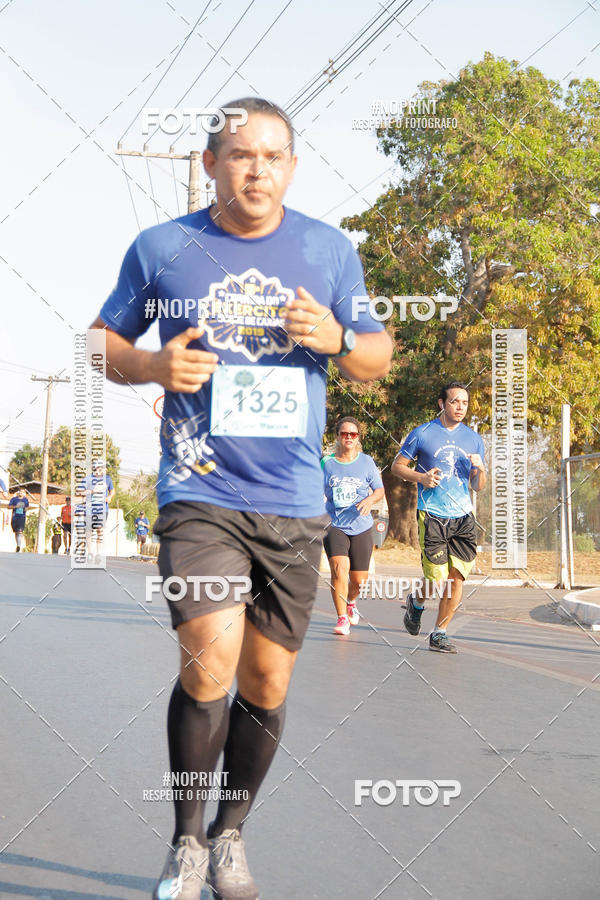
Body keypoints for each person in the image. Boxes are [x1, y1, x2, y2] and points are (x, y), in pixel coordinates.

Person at [90, 96, 392, 900]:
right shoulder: (164, 248)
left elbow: (376, 353)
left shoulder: (329, 251)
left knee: (265, 684)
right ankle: (186, 841)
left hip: (294, 501)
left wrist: (335, 340)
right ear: (211, 164)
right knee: (209, 658)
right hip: (201, 492)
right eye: (240, 154)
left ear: (292, 166)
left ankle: (231, 834)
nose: (256, 167)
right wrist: (151, 367)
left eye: (272, 155)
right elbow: (98, 342)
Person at [391, 382, 486, 653]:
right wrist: (421, 477)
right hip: (432, 513)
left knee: (456, 578)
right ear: (441, 404)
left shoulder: (474, 439)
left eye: (465, 403)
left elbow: (478, 486)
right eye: (455, 401)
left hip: (463, 515)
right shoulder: (423, 434)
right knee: (436, 578)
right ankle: (416, 603)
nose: (460, 407)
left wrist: (480, 470)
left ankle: (439, 632)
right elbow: (397, 467)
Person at [322, 416, 385, 635]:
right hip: (334, 524)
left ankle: (351, 601)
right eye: (344, 433)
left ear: (358, 437)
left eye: (353, 434)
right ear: (337, 436)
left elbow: (379, 490)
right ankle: (341, 618)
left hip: (361, 525)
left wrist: (369, 500)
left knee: (358, 580)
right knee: (339, 569)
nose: (349, 437)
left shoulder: (366, 462)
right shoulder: (326, 463)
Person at [74, 461, 115, 562]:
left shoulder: (107, 479)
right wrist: (92, 491)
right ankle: (90, 553)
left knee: (100, 530)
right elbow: (78, 492)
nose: (104, 469)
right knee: (89, 531)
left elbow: (112, 490)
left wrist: (110, 497)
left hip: (102, 509)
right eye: (102, 467)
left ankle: (98, 554)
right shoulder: (88, 479)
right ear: (96, 468)